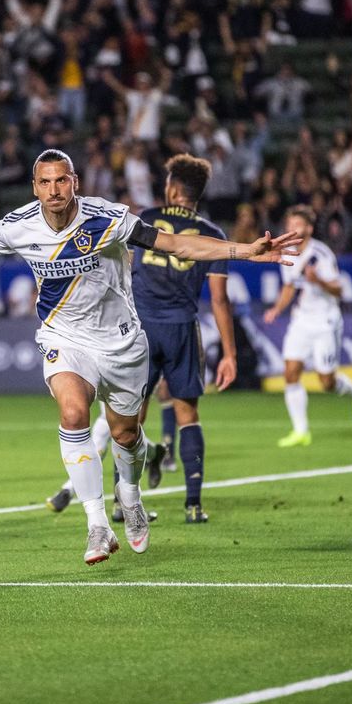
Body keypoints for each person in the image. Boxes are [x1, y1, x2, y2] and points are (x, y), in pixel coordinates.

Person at [0, 149, 300, 565]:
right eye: (45, 182)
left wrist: (243, 251)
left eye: (62, 181)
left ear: (75, 182)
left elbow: (176, 245)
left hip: (121, 341)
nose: (54, 190)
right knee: (72, 411)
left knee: (126, 436)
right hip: (64, 337)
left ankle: (131, 494)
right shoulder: (17, 225)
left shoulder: (108, 218)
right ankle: (97, 525)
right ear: (34, 187)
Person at [44, 154, 239, 524]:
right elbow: (219, 299)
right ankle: (193, 505)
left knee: (128, 421)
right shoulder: (213, 234)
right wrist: (229, 353)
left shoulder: (146, 218)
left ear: (172, 188)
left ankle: (121, 504)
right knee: (188, 416)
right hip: (183, 328)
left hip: (139, 330)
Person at [263, 205, 352, 447]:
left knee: (327, 382)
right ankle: (301, 431)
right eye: (289, 225)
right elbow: (289, 287)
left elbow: (339, 289)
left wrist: (318, 280)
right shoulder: (287, 252)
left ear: (309, 229)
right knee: (290, 372)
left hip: (325, 322)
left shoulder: (321, 254)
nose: (291, 229)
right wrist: (276, 310)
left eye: (296, 225)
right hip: (301, 320)